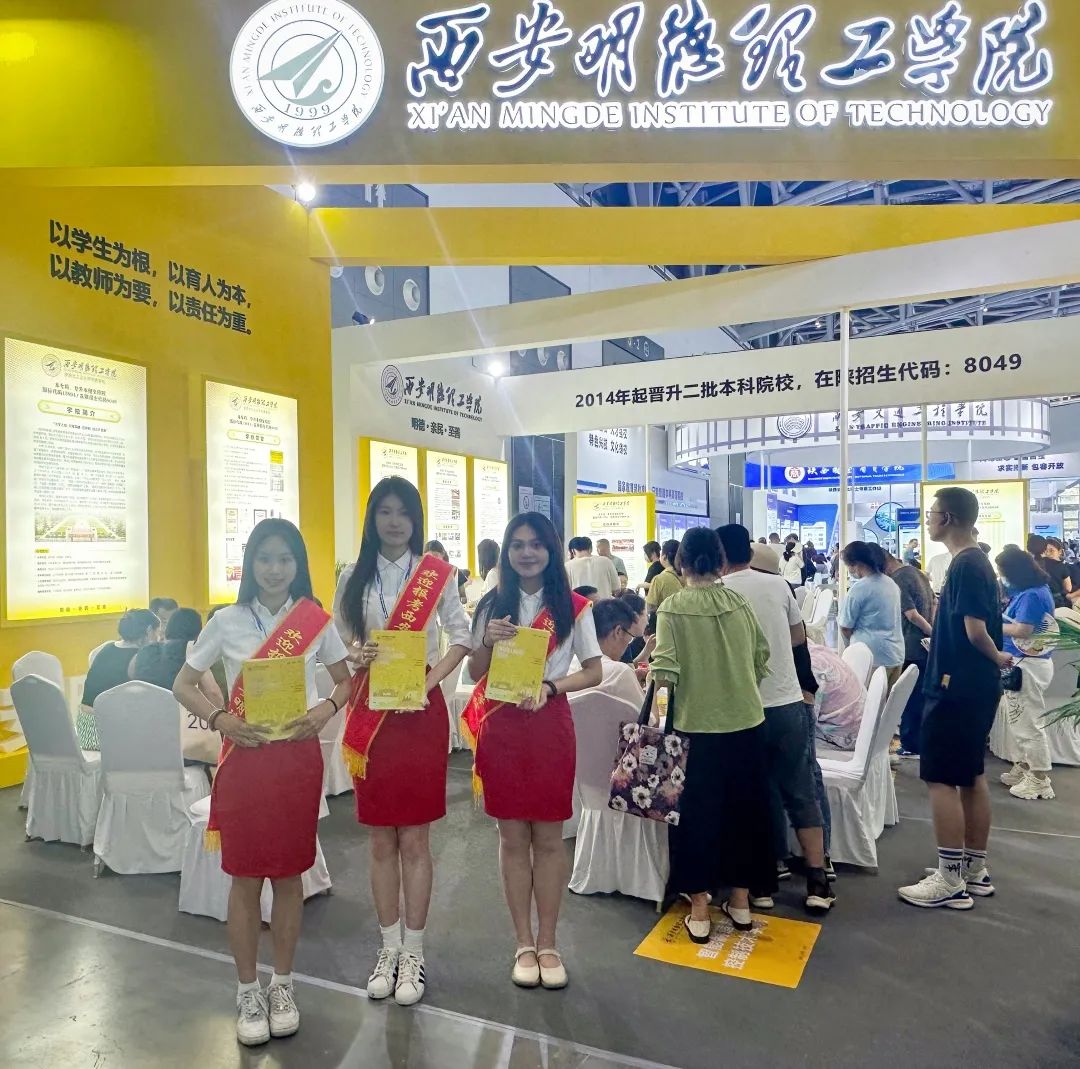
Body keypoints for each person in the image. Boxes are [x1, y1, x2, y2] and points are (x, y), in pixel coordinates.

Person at [174, 519, 352, 1047]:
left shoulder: (314, 620)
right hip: (245, 761)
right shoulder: (226, 621)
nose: (275, 569)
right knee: (246, 878)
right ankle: (248, 990)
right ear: (250, 564)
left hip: (296, 761)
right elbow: (184, 683)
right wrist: (221, 719)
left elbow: (345, 682)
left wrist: (324, 711)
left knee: (290, 876)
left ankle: (284, 986)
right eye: (265, 558)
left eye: (285, 558)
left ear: (298, 564)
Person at [335, 477, 472, 1008]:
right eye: (385, 512)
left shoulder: (436, 575)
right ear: (372, 518)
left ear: (416, 519)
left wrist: (428, 681)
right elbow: (338, 640)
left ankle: (413, 952)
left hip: (418, 715)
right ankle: (387, 948)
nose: (394, 522)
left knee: (415, 840)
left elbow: (461, 636)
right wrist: (356, 654)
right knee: (379, 841)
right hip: (371, 712)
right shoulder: (353, 574)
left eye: (404, 513)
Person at [465, 513, 602, 990]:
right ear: (507, 552)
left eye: (536, 544)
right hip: (501, 726)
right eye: (518, 544)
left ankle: (548, 943)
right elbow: (474, 673)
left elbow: (594, 670)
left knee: (548, 839)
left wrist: (550, 686)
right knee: (511, 839)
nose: (527, 553)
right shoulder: (491, 604)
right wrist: (487, 641)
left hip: (550, 724)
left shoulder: (572, 606)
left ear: (551, 550)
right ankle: (523, 942)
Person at [650, 527, 777, 940]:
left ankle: (700, 911)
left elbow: (665, 675)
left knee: (695, 819)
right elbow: (761, 656)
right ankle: (740, 902)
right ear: (721, 561)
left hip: (695, 728)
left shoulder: (672, 608)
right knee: (744, 812)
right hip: (747, 723)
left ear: (680, 562)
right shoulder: (739, 603)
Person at [898, 487, 1009, 910]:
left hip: (955, 686)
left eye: (932, 514)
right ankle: (971, 869)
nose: (928, 520)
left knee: (942, 778)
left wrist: (997, 656)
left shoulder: (966, 564)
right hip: (968, 685)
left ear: (947, 518)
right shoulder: (973, 562)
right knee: (969, 775)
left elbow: (975, 632)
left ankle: (950, 879)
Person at [717, 528, 834, 913]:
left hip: (742, 711)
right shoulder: (779, 586)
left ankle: (761, 884)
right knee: (800, 791)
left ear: (720, 556)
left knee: (752, 795)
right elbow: (800, 639)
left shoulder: (716, 592)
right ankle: (818, 880)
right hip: (787, 704)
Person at [996, 546, 1058, 801]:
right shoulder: (1032, 591)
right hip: (1024, 663)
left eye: (1002, 572)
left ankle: (1039, 777)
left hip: (1028, 665)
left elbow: (1023, 630)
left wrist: (994, 626)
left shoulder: (1032, 595)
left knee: (1028, 722)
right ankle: (1026, 766)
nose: (1001, 578)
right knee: (1019, 720)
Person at [77, 608, 162, 749]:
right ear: (148, 631)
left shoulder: (106, 647)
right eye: (157, 632)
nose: (159, 638)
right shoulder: (140, 658)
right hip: (107, 735)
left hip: (85, 730)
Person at [882, 550, 935, 757]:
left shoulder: (898, 579)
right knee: (919, 695)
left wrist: (931, 632)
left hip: (910, 645)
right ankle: (919, 741)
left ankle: (911, 744)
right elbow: (934, 602)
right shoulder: (917, 572)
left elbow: (911, 614)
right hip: (922, 646)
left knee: (909, 697)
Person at [838, 542, 905, 685]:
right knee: (890, 699)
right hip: (896, 654)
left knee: (865, 698)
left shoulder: (859, 589)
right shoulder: (891, 583)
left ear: (856, 564)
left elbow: (845, 627)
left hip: (871, 658)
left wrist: (853, 647)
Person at [588, 598, 646, 705]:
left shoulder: (572, 665)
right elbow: (649, 715)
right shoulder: (620, 672)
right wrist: (652, 682)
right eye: (630, 637)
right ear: (618, 631)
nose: (628, 643)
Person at [809, 643, 866, 751]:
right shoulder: (815, 648)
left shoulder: (810, 666)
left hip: (844, 737)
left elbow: (805, 722)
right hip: (858, 726)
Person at [1028, 534, 1072, 608]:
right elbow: (1068, 588)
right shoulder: (1062, 566)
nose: (1048, 553)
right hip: (1056, 601)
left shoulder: (1034, 564)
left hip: (1036, 600)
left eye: (1051, 551)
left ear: (1060, 551)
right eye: (1046, 551)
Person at [645, 539, 683, 617]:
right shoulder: (687, 577)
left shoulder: (659, 579)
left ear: (665, 557)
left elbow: (649, 607)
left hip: (664, 620)